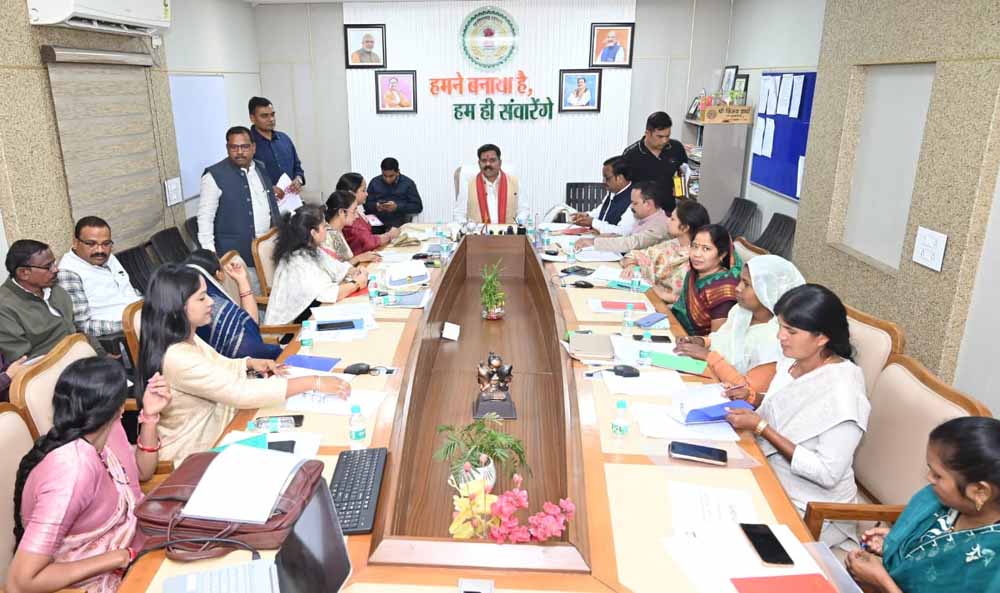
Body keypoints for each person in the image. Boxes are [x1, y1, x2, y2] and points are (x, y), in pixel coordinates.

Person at [135, 264, 352, 463]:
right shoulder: (177, 356)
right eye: (201, 298)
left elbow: (218, 366)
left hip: (227, 425)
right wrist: (313, 382)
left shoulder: (184, 336)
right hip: (197, 452)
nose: (211, 302)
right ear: (177, 308)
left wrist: (248, 363)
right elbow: (239, 392)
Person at [7, 357, 170, 593]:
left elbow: (143, 473)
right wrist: (118, 557)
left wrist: (150, 416)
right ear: (119, 408)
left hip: (139, 547)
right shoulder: (70, 469)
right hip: (98, 581)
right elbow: (20, 582)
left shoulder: (103, 432)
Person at [725, 284, 870, 548]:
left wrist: (762, 427)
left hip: (811, 505)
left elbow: (826, 473)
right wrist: (753, 397)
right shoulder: (795, 359)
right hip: (767, 471)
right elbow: (790, 407)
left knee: (727, 535)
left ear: (822, 337)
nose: (780, 336)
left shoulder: (844, 393)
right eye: (780, 327)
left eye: (791, 331)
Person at [845, 417, 1000, 593]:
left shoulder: (993, 564)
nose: (929, 478)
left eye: (938, 475)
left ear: (980, 491)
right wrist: (898, 542)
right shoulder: (942, 500)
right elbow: (936, 548)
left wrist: (881, 582)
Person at [675, 255, 806, 406]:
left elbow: (747, 390)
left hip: (736, 405)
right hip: (712, 381)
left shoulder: (778, 338)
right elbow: (724, 340)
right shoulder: (741, 312)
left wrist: (708, 356)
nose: (738, 288)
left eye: (747, 284)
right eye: (740, 281)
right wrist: (701, 341)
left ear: (768, 291)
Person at [197, 126, 282, 292]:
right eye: (234, 147)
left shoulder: (260, 168)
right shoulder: (213, 176)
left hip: (268, 252)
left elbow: (269, 206)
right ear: (227, 148)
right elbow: (205, 219)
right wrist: (213, 259)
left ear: (253, 147)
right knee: (249, 298)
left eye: (244, 147)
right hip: (237, 259)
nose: (240, 152)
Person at [0, 239, 105, 361]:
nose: (56, 269)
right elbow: (22, 361)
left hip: (84, 357)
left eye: (54, 263)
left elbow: (77, 328)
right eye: (48, 266)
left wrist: (102, 354)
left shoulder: (55, 289)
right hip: (48, 367)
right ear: (24, 273)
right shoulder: (5, 308)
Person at [264, 205, 369, 326]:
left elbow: (336, 267)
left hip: (313, 312)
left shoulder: (311, 248)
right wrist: (356, 284)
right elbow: (329, 294)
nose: (327, 228)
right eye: (324, 226)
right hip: (292, 328)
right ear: (313, 233)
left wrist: (354, 271)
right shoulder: (298, 261)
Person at [185, 249, 282, 360]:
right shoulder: (215, 307)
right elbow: (249, 340)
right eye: (202, 298)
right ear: (219, 274)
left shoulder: (197, 301)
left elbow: (249, 325)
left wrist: (242, 280)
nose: (210, 301)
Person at [57, 217, 141, 342]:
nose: (100, 250)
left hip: (142, 315)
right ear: (75, 242)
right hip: (124, 333)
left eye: (106, 244)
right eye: (91, 244)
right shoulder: (69, 272)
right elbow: (83, 325)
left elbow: (126, 291)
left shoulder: (107, 257)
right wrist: (130, 324)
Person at [619, 199, 710, 304]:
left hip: (672, 310)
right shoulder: (671, 245)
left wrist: (664, 295)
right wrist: (631, 266)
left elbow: (698, 302)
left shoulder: (699, 258)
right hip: (652, 300)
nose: (667, 221)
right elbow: (633, 255)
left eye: (672, 219)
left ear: (685, 228)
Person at [671, 224, 743, 336]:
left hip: (696, 343)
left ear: (722, 254)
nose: (696, 254)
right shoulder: (693, 274)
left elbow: (716, 338)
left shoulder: (724, 289)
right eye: (694, 246)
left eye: (706, 249)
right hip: (676, 329)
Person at [575, 182, 670, 253]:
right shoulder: (644, 217)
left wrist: (594, 242)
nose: (631, 207)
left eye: (635, 203)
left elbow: (632, 243)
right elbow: (627, 236)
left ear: (648, 204)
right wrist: (600, 237)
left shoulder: (660, 225)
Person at [622, 111, 688, 213]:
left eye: (667, 136)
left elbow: (682, 172)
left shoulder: (676, 148)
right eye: (660, 136)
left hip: (669, 211)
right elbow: (624, 187)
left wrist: (680, 193)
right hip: (641, 213)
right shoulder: (631, 154)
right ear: (647, 133)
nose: (664, 141)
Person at [453, 144, 527, 225]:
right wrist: (467, 228)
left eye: (492, 160)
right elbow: (459, 214)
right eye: (484, 161)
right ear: (479, 163)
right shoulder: (468, 185)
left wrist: (517, 226)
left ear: (500, 163)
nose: (488, 164)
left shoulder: (514, 183)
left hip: (508, 231)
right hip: (478, 232)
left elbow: (523, 210)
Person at [248, 97, 305, 200]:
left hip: (291, 201)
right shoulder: (247, 145)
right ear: (252, 118)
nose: (271, 119)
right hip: (263, 203)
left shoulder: (284, 139)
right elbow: (245, 178)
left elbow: (297, 168)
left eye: (272, 114)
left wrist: (298, 179)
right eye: (264, 116)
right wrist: (267, 188)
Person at [569, 156, 634, 235]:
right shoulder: (613, 191)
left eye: (607, 178)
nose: (603, 181)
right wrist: (586, 215)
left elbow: (623, 232)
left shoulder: (634, 198)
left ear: (620, 178)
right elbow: (602, 211)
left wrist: (593, 222)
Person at [339, 172, 401, 254]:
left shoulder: (356, 210)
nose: (367, 194)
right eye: (363, 190)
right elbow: (367, 242)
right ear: (351, 193)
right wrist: (389, 235)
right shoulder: (346, 215)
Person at [324, 191, 382, 266]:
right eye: (354, 211)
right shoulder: (328, 235)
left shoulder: (337, 230)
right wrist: (358, 258)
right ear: (341, 212)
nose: (356, 216)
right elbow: (337, 269)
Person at [365, 157, 423, 231]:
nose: (387, 179)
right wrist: (376, 206)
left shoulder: (408, 184)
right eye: (384, 176)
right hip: (377, 221)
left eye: (391, 176)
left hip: (398, 221)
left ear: (398, 172)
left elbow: (418, 207)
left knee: (394, 231)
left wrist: (397, 207)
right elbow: (366, 204)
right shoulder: (374, 182)